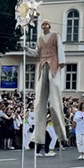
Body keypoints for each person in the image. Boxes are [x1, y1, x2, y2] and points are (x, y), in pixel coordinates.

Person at [28, 20, 67, 148]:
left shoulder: (56, 36)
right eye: (42, 25)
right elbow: (36, 53)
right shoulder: (40, 39)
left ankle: (62, 135)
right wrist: (26, 49)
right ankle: (38, 137)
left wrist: (61, 63)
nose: (44, 26)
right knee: (39, 102)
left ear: (49, 26)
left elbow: (60, 49)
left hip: (53, 65)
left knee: (54, 101)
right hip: (43, 66)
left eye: (46, 24)